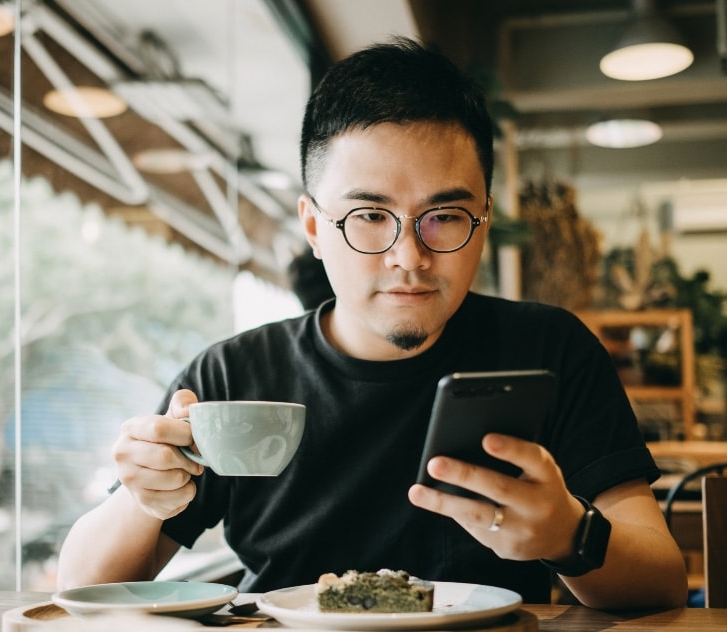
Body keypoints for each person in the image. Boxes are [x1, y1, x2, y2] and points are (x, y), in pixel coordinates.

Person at [57, 37, 687, 610]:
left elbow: (662, 580)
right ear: (313, 227)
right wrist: (145, 498)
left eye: (443, 217)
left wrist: (570, 535)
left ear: (485, 220)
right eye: (368, 217)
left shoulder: (549, 349)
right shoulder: (235, 376)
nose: (409, 257)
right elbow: (79, 587)